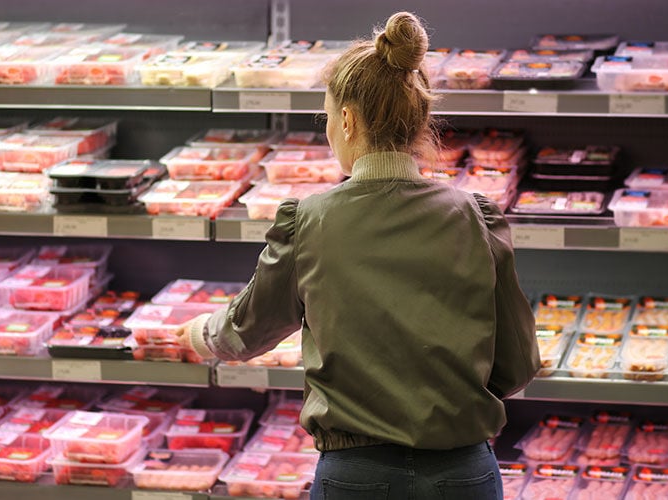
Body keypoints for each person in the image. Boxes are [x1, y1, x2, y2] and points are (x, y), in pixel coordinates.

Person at [175, 11, 539, 500]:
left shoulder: (310, 221)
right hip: (463, 472)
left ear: (346, 120)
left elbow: (246, 330)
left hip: (358, 476)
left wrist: (199, 334)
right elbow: (517, 362)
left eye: (327, 117)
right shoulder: (476, 217)